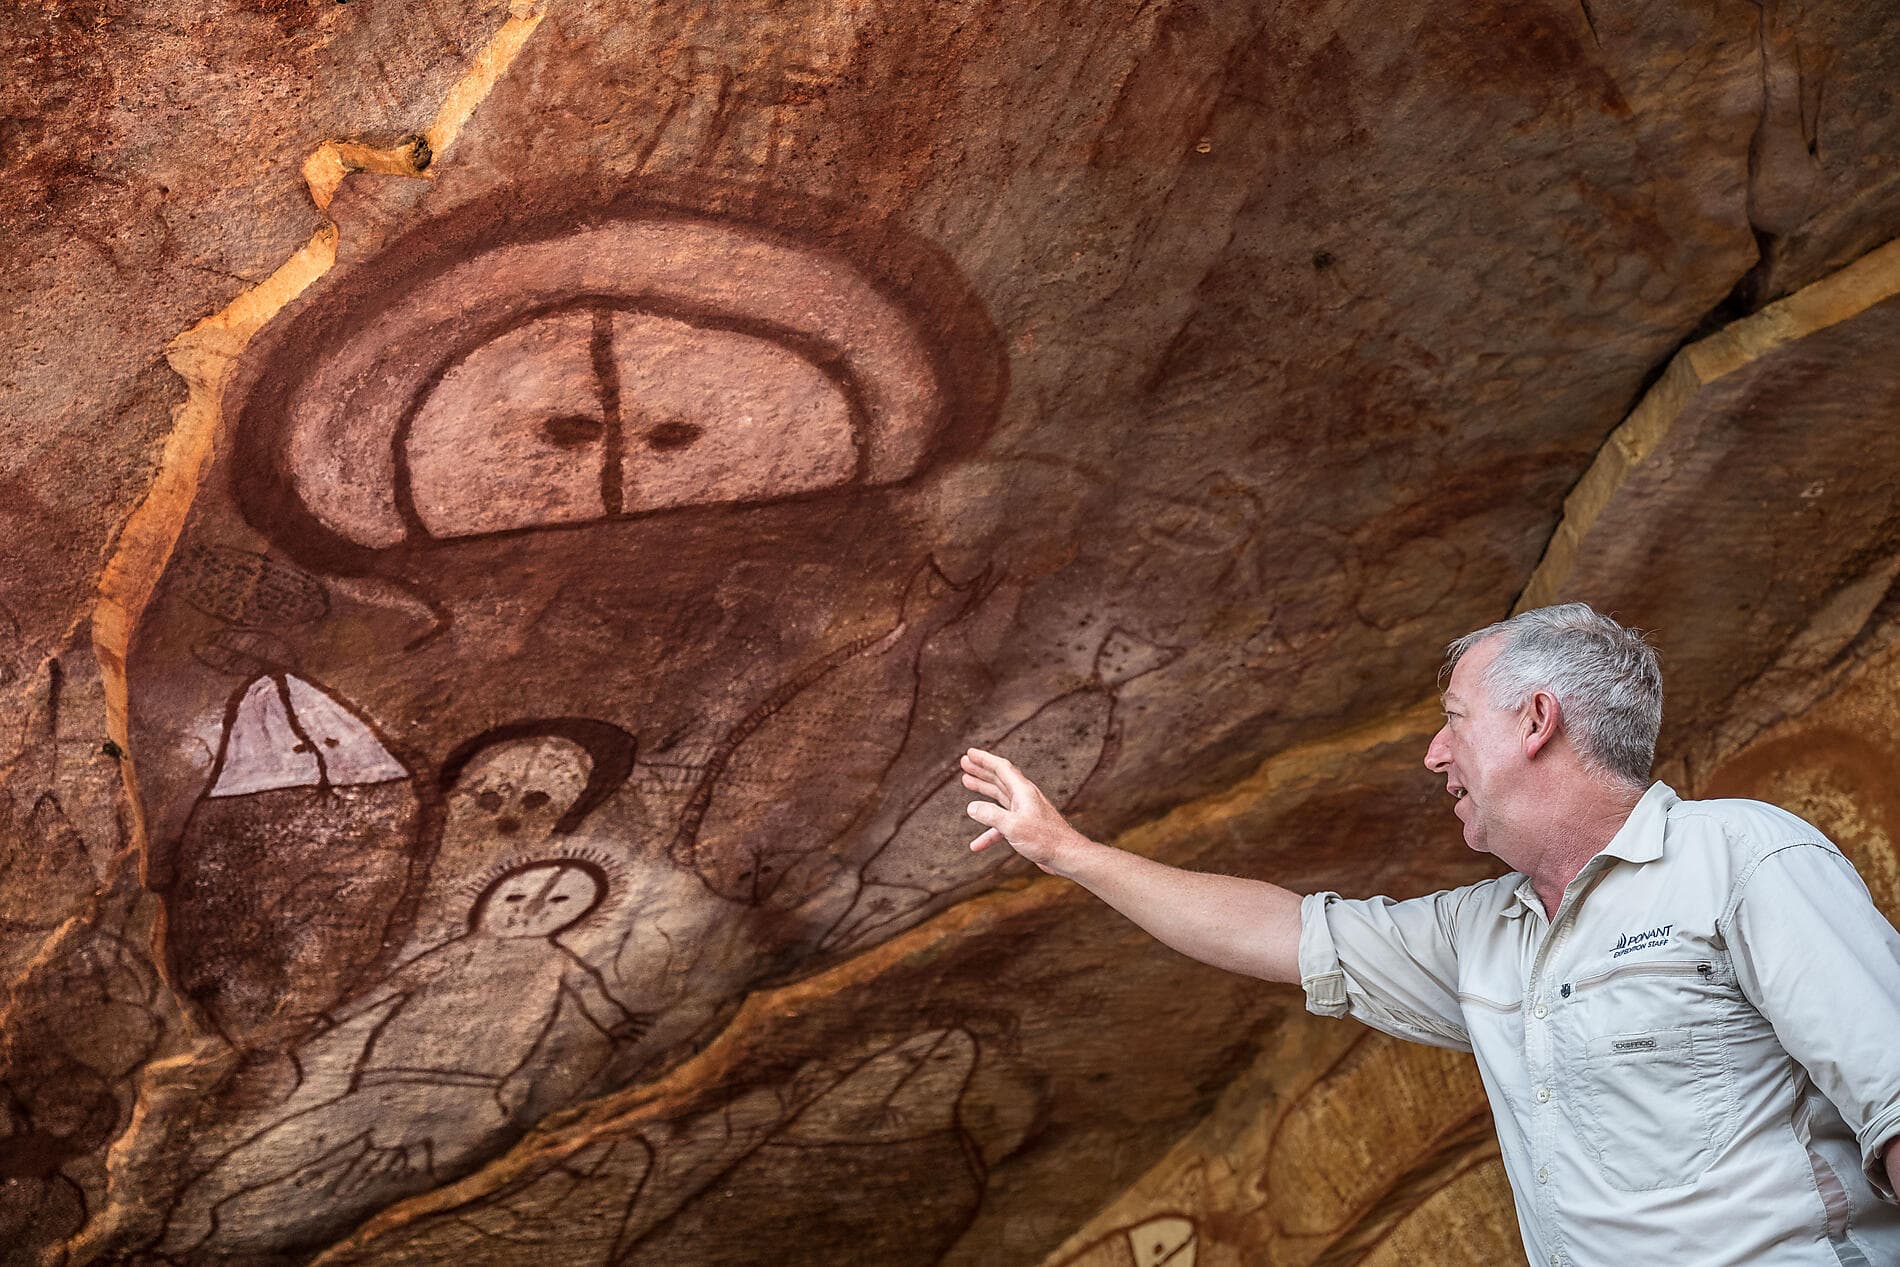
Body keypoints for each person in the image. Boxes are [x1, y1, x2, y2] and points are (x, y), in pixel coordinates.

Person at [963, 603, 1900, 1266]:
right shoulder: (1480, 933)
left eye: (1453, 721)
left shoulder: (1741, 856)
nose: (1433, 753)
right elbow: (1283, 932)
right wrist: (1070, 851)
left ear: (1538, 720)